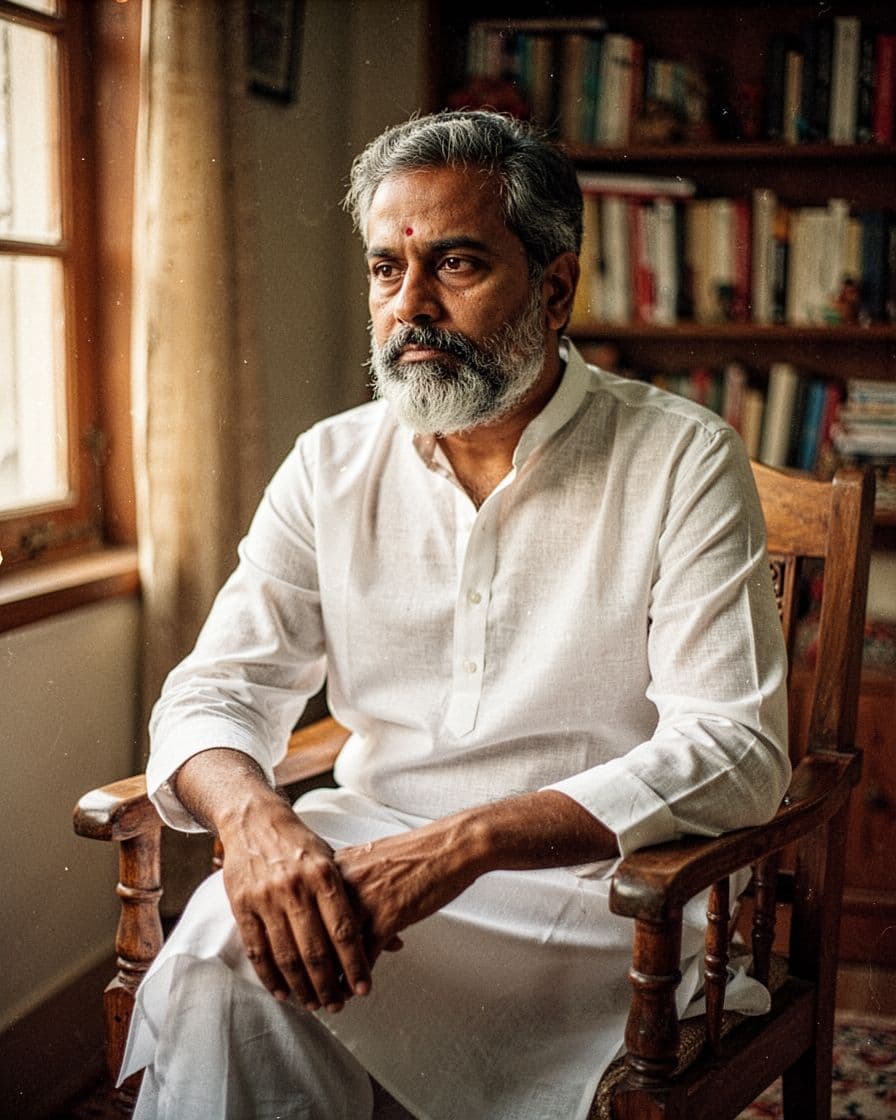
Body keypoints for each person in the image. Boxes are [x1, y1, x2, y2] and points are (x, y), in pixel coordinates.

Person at [121, 110, 790, 1120]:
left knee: (270, 953)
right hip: (367, 861)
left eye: (456, 264)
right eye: (385, 269)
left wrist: (464, 841)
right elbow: (218, 688)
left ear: (554, 287)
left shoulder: (679, 459)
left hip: (601, 896)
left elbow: (735, 747)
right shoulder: (330, 463)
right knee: (225, 953)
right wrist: (255, 820)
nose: (409, 307)